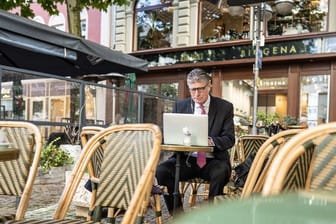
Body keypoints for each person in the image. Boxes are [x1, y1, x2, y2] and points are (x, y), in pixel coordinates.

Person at [156, 68, 235, 215]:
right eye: (192, 90)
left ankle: (212, 216)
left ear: (209, 85)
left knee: (220, 172)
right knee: (162, 171)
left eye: (200, 89)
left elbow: (229, 139)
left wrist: (210, 141)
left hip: (213, 161)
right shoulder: (181, 106)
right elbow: (172, 134)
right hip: (187, 160)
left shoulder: (225, 107)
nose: (196, 94)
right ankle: (179, 215)